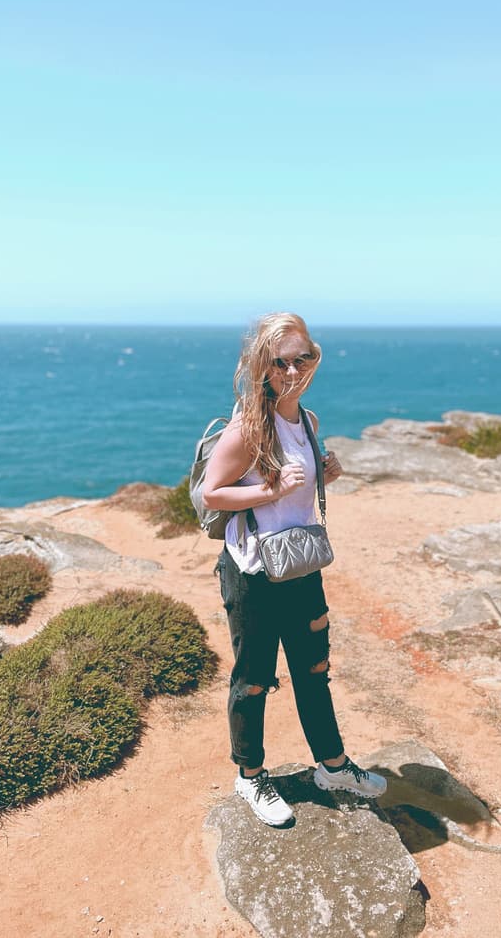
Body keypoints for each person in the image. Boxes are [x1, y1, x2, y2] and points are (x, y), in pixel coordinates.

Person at [202, 312, 386, 826]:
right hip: (255, 571)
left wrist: (326, 472)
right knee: (254, 679)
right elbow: (211, 491)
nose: (291, 369)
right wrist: (273, 489)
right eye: (280, 361)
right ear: (262, 365)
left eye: (302, 357)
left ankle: (332, 766)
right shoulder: (246, 427)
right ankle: (250, 776)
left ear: (315, 358)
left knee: (314, 671)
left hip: (301, 564)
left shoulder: (308, 421)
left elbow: (301, 490)